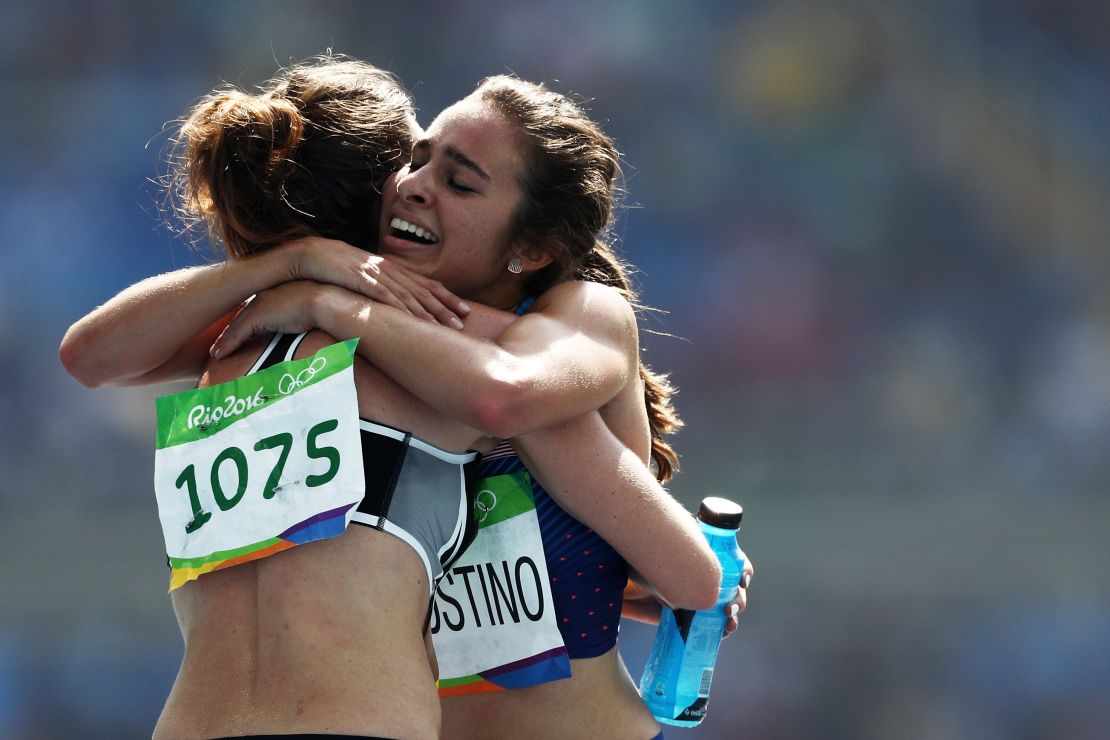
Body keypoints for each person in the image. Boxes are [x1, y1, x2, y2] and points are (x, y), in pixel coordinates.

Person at [61, 60, 751, 740]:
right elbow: (91, 356)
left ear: (531, 247)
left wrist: (319, 291)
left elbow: (507, 401)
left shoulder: (557, 331)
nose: (417, 189)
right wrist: (295, 274)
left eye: (458, 181)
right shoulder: (301, 331)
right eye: (416, 163)